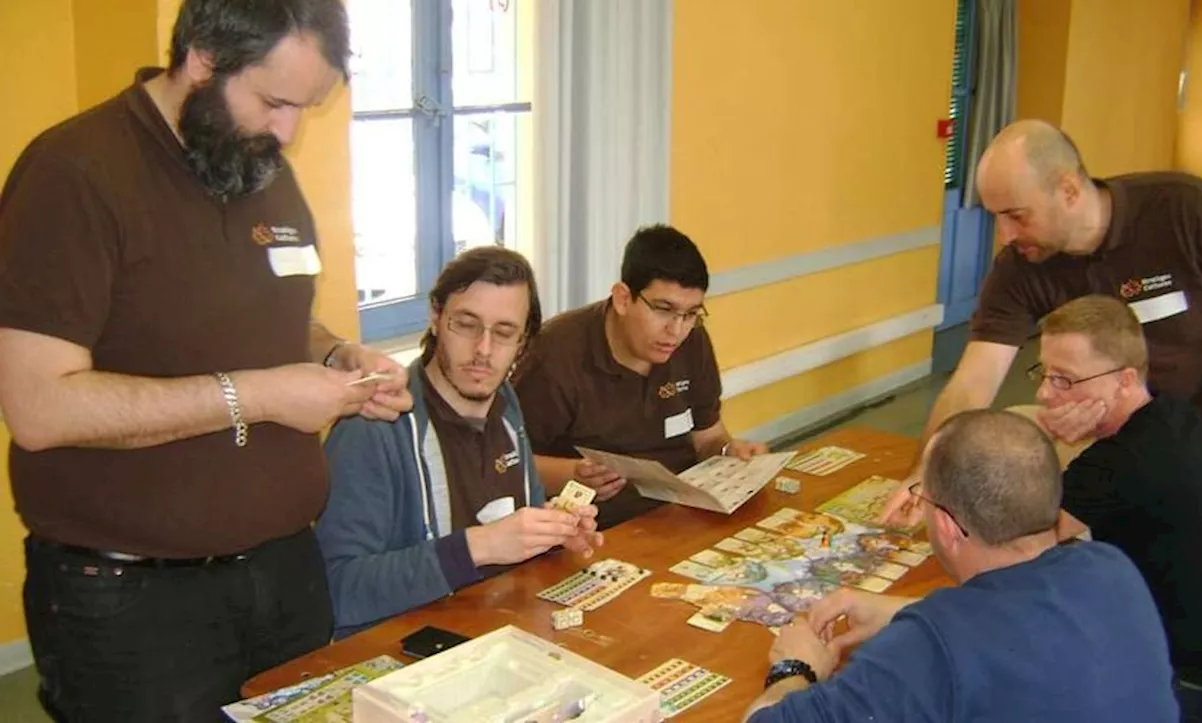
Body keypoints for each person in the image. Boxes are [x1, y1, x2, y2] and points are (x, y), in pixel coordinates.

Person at [0, 2, 414, 720]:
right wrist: (256, 395)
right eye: (275, 100)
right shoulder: (73, 173)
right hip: (134, 601)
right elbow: (38, 406)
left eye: (305, 107)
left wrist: (336, 354)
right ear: (200, 59)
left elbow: (275, 313)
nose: (287, 131)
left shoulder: (251, 158)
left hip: (284, 571)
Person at [882, 119, 1202, 554]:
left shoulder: (1188, 210)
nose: (1006, 235)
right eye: (996, 217)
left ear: (1069, 191)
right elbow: (971, 383)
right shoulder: (1020, 267)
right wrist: (926, 473)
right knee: (1130, 565)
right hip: (1126, 441)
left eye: (1016, 215)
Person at [744, 410, 1179, 722]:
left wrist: (794, 668)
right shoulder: (1110, 566)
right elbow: (1013, 622)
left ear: (949, 527)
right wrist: (901, 611)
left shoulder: (931, 648)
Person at [316, 247, 603, 639]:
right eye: (466, 325)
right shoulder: (373, 425)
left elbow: (520, 520)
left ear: (524, 342)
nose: (483, 351)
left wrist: (553, 532)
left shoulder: (505, 403)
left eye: (504, 333)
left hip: (491, 628)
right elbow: (337, 592)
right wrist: (476, 548)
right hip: (400, 654)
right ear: (436, 317)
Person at [1031, 295, 1202, 721]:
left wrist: (1054, 442)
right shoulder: (1170, 412)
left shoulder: (1125, 460)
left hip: (1190, 682)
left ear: (1124, 380)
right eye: (1044, 373)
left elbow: (1022, 535)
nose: (1044, 393)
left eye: (1064, 379)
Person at [513, 224, 766, 529]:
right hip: (595, 525)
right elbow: (508, 464)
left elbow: (708, 437)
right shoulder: (556, 352)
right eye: (663, 309)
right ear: (622, 298)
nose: (676, 330)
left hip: (682, 510)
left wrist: (729, 450)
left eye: (690, 314)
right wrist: (574, 473)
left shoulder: (692, 339)